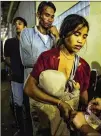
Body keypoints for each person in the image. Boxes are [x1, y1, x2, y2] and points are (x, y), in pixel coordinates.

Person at [24, 14, 90, 136]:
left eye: (84, 36)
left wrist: (89, 108)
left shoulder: (83, 66)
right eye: (77, 34)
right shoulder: (48, 58)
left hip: (69, 122)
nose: (81, 40)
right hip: (46, 123)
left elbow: (83, 94)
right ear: (64, 33)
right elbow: (28, 88)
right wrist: (59, 103)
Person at [19, 1, 59, 135]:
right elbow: (27, 60)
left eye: (52, 16)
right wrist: (51, 62)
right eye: (47, 15)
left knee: (51, 122)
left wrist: (58, 37)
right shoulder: (27, 33)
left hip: (50, 88)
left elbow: (61, 58)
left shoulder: (53, 37)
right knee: (37, 126)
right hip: (34, 86)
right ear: (38, 15)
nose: (50, 19)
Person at [4, 17, 27, 136]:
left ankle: (29, 129)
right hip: (16, 78)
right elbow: (6, 58)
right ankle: (21, 129)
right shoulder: (9, 42)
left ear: (25, 27)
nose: (17, 25)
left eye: (20, 23)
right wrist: (14, 66)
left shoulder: (29, 42)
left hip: (30, 79)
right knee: (18, 104)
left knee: (28, 105)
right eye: (15, 24)